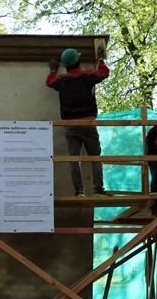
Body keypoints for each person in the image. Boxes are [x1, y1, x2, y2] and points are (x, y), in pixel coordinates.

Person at [46, 45, 112, 197]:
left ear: (66, 65)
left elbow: (49, 82)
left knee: (74, 158)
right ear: (78, 61)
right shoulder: (87, 76)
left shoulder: (62, 80)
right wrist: (101, 59)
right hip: (87, 123)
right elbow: (104, 73)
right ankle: (98, 190)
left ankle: (79, 191)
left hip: (70, 125)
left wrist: (53, 69)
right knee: (95, 157)